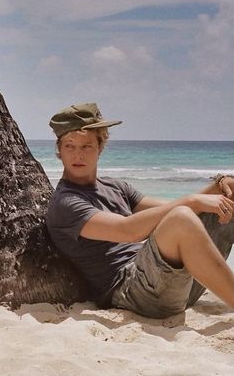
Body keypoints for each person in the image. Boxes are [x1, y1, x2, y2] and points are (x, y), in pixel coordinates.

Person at [46, 102, 234, 318]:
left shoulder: (115, 186)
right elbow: (128, 231)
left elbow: (168, 210)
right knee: (181, 216)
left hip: (173, 283)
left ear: (100, 147)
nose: (77, 155)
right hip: (133, 292)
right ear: (59, 150)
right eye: (70, 146)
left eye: (86, 146)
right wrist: (192, 201)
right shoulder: (66, 202)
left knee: (229, 191)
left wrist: (219, 184)